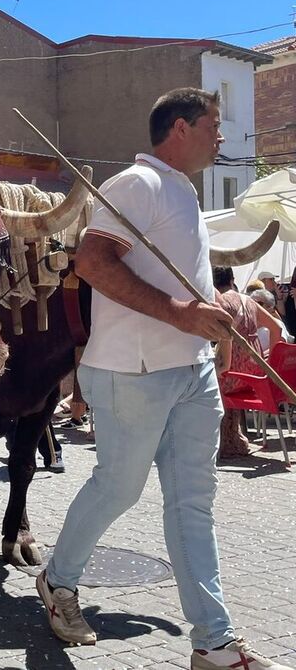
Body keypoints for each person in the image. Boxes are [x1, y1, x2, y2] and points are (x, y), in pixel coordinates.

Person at [35, 88, 292, 670]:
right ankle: (58, 582)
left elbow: (187, 287)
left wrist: (215, 322)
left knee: (192, 504)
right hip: (134, 370)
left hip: (192, 370)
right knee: (118, 489)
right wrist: (181, 316)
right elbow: (93, 264)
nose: (222, 136)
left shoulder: (183, 191)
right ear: (181, 128)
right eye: (215, 125)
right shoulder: (136, 184)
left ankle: (214, 643)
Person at [213, 266, 283, 459]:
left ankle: (219, 441)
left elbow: (225, 359)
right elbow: (276, 328)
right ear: (232, 279)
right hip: (255, 373)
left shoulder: (222, 302)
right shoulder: (248, 300)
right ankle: (233, 437)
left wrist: (222, 367)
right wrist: (272, 364)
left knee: (206, 378)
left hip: (234, 374)